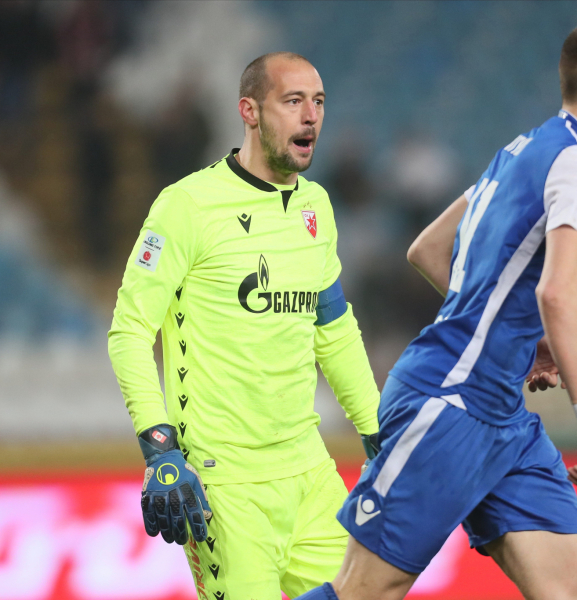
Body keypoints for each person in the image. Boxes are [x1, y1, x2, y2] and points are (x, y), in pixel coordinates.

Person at [294, 19, 577, 600]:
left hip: (501, 413)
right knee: (365, 590)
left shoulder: (520, 151)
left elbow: (427, 249)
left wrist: (512, 336)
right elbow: (559, 293)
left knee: (571, 588)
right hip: (451, 401)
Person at [107, 52, 381, 600]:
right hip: (223, 484)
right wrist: (161, 450)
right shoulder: (186, 207)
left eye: (319, 101)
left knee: (371, 592)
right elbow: (130, 332)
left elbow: (334, 328)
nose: (311, 117)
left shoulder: (317, 208)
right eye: (293, 101)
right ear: (249, 111)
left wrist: (378, 432)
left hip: (309, 469)